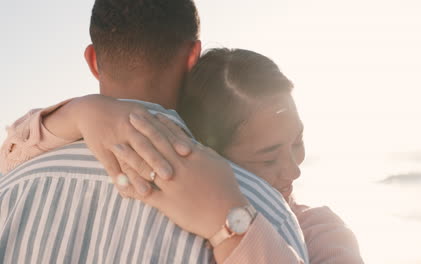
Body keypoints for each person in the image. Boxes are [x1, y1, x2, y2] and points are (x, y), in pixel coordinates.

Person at [0, 0, 310, 263]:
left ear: (94, 60)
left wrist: (74, 111)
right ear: (193, 56)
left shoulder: (14, 185)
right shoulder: (259, 213)